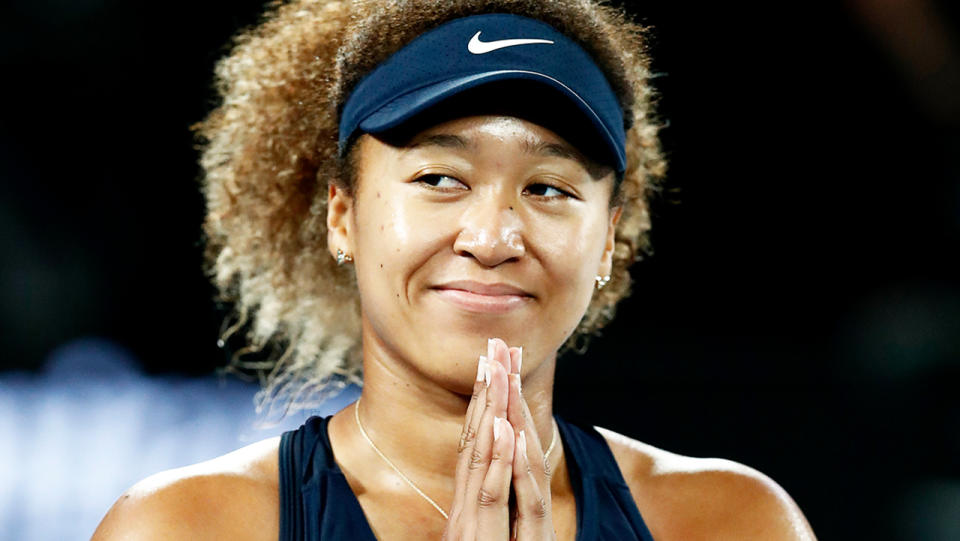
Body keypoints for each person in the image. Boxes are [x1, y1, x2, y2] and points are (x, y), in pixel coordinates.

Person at [93, 1, 817, 539]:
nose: (494, 235)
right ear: (341, 215)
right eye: (441, 178)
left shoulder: (733, 521)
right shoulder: (184, 526)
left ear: (608, 241)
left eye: (548, 189)